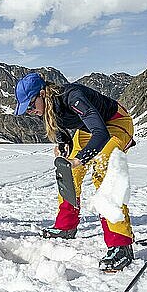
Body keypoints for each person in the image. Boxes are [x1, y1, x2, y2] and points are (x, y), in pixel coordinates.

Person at [14, 72, 136, 272]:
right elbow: (64, 127)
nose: (30, 112)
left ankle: (120, 245)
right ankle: (66, 225)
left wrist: (80, 159)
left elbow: (101, 133)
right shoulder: (49, 106)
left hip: (115, 123)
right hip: (89, 129)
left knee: (103, 172)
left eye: (30, 106)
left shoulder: (73, 97)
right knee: (68, 173)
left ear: (43, 94)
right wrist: (62, 143)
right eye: (26, 109)